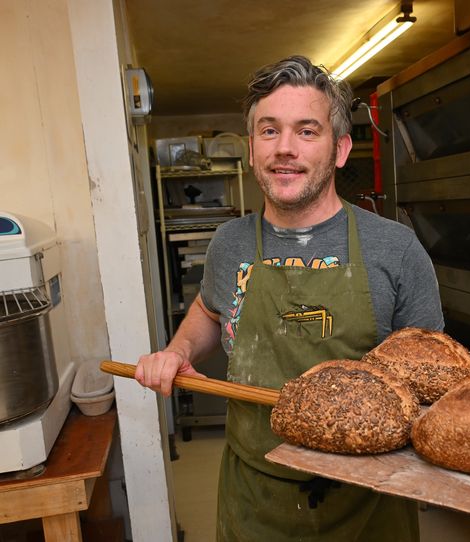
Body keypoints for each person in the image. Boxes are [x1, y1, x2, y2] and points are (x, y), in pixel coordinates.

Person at [135, 55, 444, 542]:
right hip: (256, 499)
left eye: (306, 131)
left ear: (340, 149)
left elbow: (430, 377)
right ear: (252, 150)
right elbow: (210, 311)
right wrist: (178, 351)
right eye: (268, 130)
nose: (285, 149)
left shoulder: (397, 249)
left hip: (368, 501)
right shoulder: (230, 244)